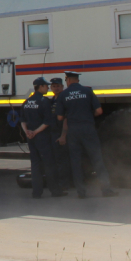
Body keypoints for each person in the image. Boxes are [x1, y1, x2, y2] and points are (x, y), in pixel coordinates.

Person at [57, 71, 117, 200]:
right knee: (97, 159)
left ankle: (81, 192)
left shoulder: (63, 95)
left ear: (67, 80)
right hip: (88, 128)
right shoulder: (87, 91)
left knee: (75, 161)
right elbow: (99, 111)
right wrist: (89, 116)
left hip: (73, 130)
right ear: (77, 80)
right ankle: (106, 190)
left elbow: (60, 117)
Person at [19, 77, 66, 199]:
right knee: (49, 164)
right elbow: (47, 122)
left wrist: (28, 132)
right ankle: (55, 191)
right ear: (40, 87)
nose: (47, 88)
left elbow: (22, 121)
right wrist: (35, 132)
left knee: (35, 164)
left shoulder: (27, 101)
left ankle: (36, 192)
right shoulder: (44, 101)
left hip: (31, 138)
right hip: (42, 137)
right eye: (46, 86)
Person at [49, 77, 71, 187]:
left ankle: (64, 184)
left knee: (63, 160)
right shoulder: (52, 100)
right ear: (51, 88)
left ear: (62, 87)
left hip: (62, 133)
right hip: (54, 133)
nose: (56, 88)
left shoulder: (64, 99)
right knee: (57, 159)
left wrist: (63, 135)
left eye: (58, 86)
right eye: (54, 86)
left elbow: (66, 118)